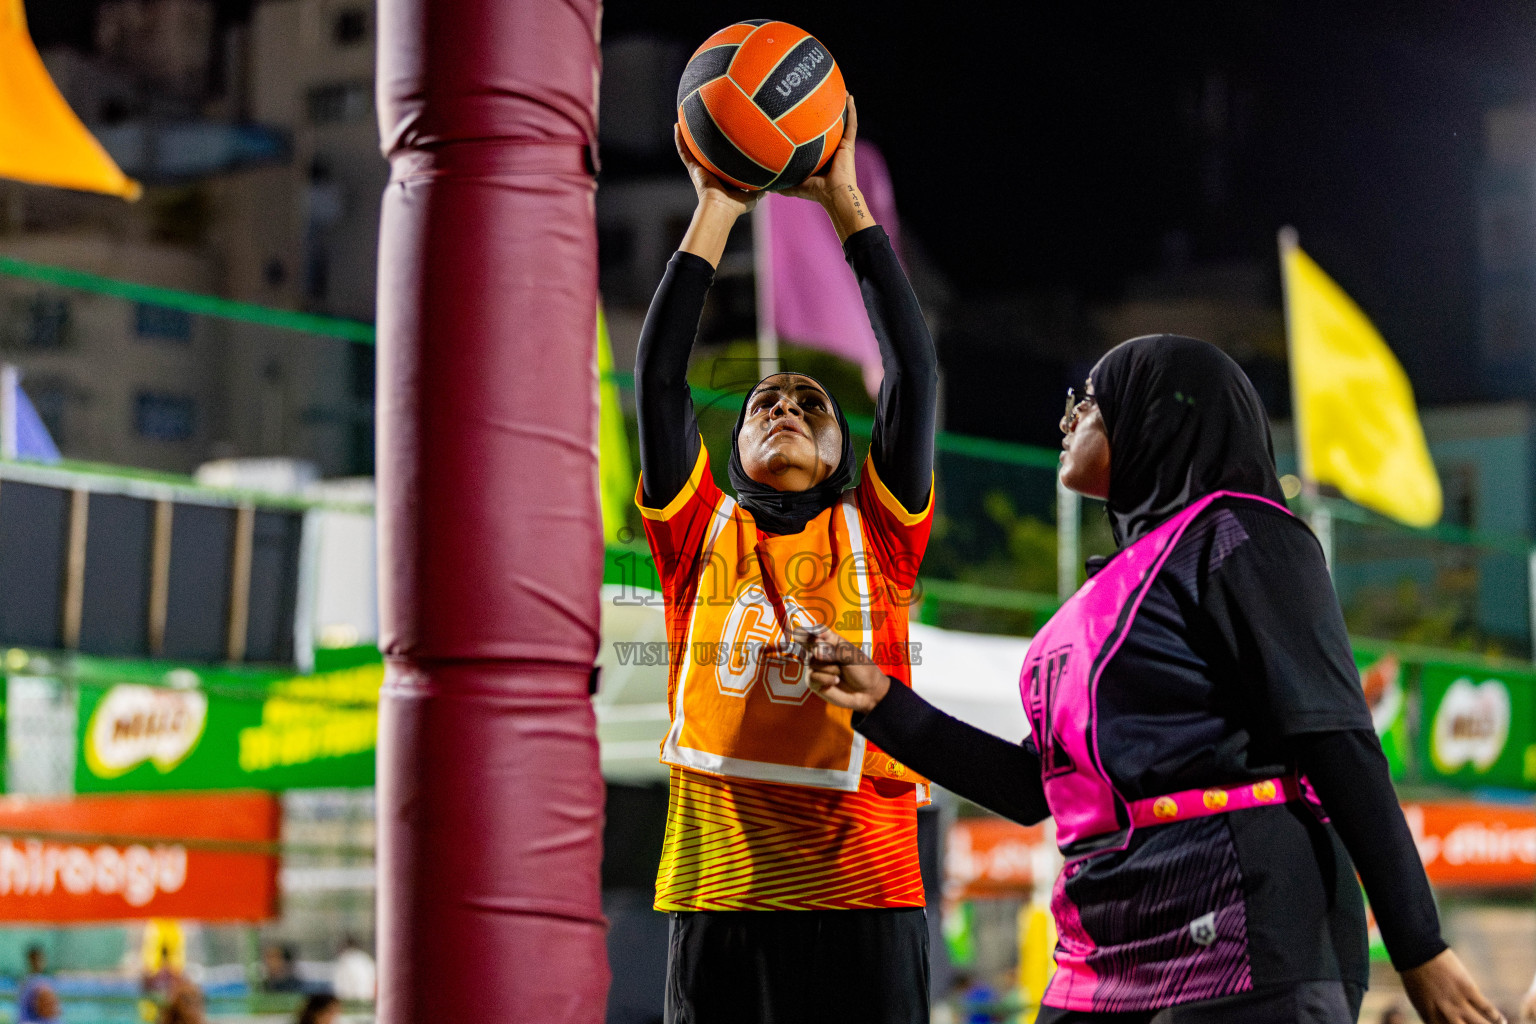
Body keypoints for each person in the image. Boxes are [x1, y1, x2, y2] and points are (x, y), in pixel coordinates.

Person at [801, 335, 1505, 1024]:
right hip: (1102, 939)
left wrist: (1420, 947)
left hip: (1245, 920)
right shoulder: (1106, 594)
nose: (1065, 417)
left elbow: (1337, 739)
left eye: (1088, 400)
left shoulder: (1241, 533)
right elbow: (1030, 787)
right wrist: (885, 704)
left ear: (1160, 415)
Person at [635, 96, 938, 1024]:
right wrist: (717, 208)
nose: (786, 407)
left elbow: (914, 373)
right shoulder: (697, 534)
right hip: (720, 889)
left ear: (853, 456)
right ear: (729, 454)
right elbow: (657, 377)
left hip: (865, 886)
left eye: (812, 403)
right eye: (765, 401)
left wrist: (845, 200)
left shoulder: (878, 534)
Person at [330, 935, 374, 1002]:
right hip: (366, 1000)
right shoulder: (365, 959)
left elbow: (339, 987)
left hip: (353, 1000)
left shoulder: (345, 960)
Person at [17, 945, 51, 1024]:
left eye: (40, 960)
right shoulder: (26, 983)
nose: (38, 963)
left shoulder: (48, 981)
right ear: (30, 961)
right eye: (35, 960)